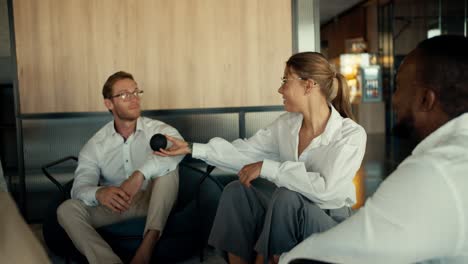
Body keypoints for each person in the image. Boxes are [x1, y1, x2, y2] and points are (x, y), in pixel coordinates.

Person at [156, 52, 367, 264]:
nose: (280, 89)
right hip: (283, 213)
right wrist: (190, 148)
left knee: (287, 196)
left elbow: (326, 190)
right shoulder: (286, 125)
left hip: (329, 222)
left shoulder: (350, 135)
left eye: (285, 80)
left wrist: (269, 168)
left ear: (309, 85)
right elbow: (245, 152)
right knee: (236, 191)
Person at [279, 35, 468, 264]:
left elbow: (347, 249)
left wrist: (287, 259)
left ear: (425, 100)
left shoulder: (435, 171)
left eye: (398, 87)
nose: (395, 100)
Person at [57, 71, 184, 264]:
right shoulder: (95, 145)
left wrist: (139, 175)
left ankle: (146, 249)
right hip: (118, 205)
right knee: (66, 209)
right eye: (124, 94)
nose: (134, 98)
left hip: (155, 199)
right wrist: (100, 193)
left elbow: (179, 148)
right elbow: (79, 187)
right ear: (109, 103)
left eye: (136, 92)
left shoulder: (158, 129)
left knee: (169, 169)